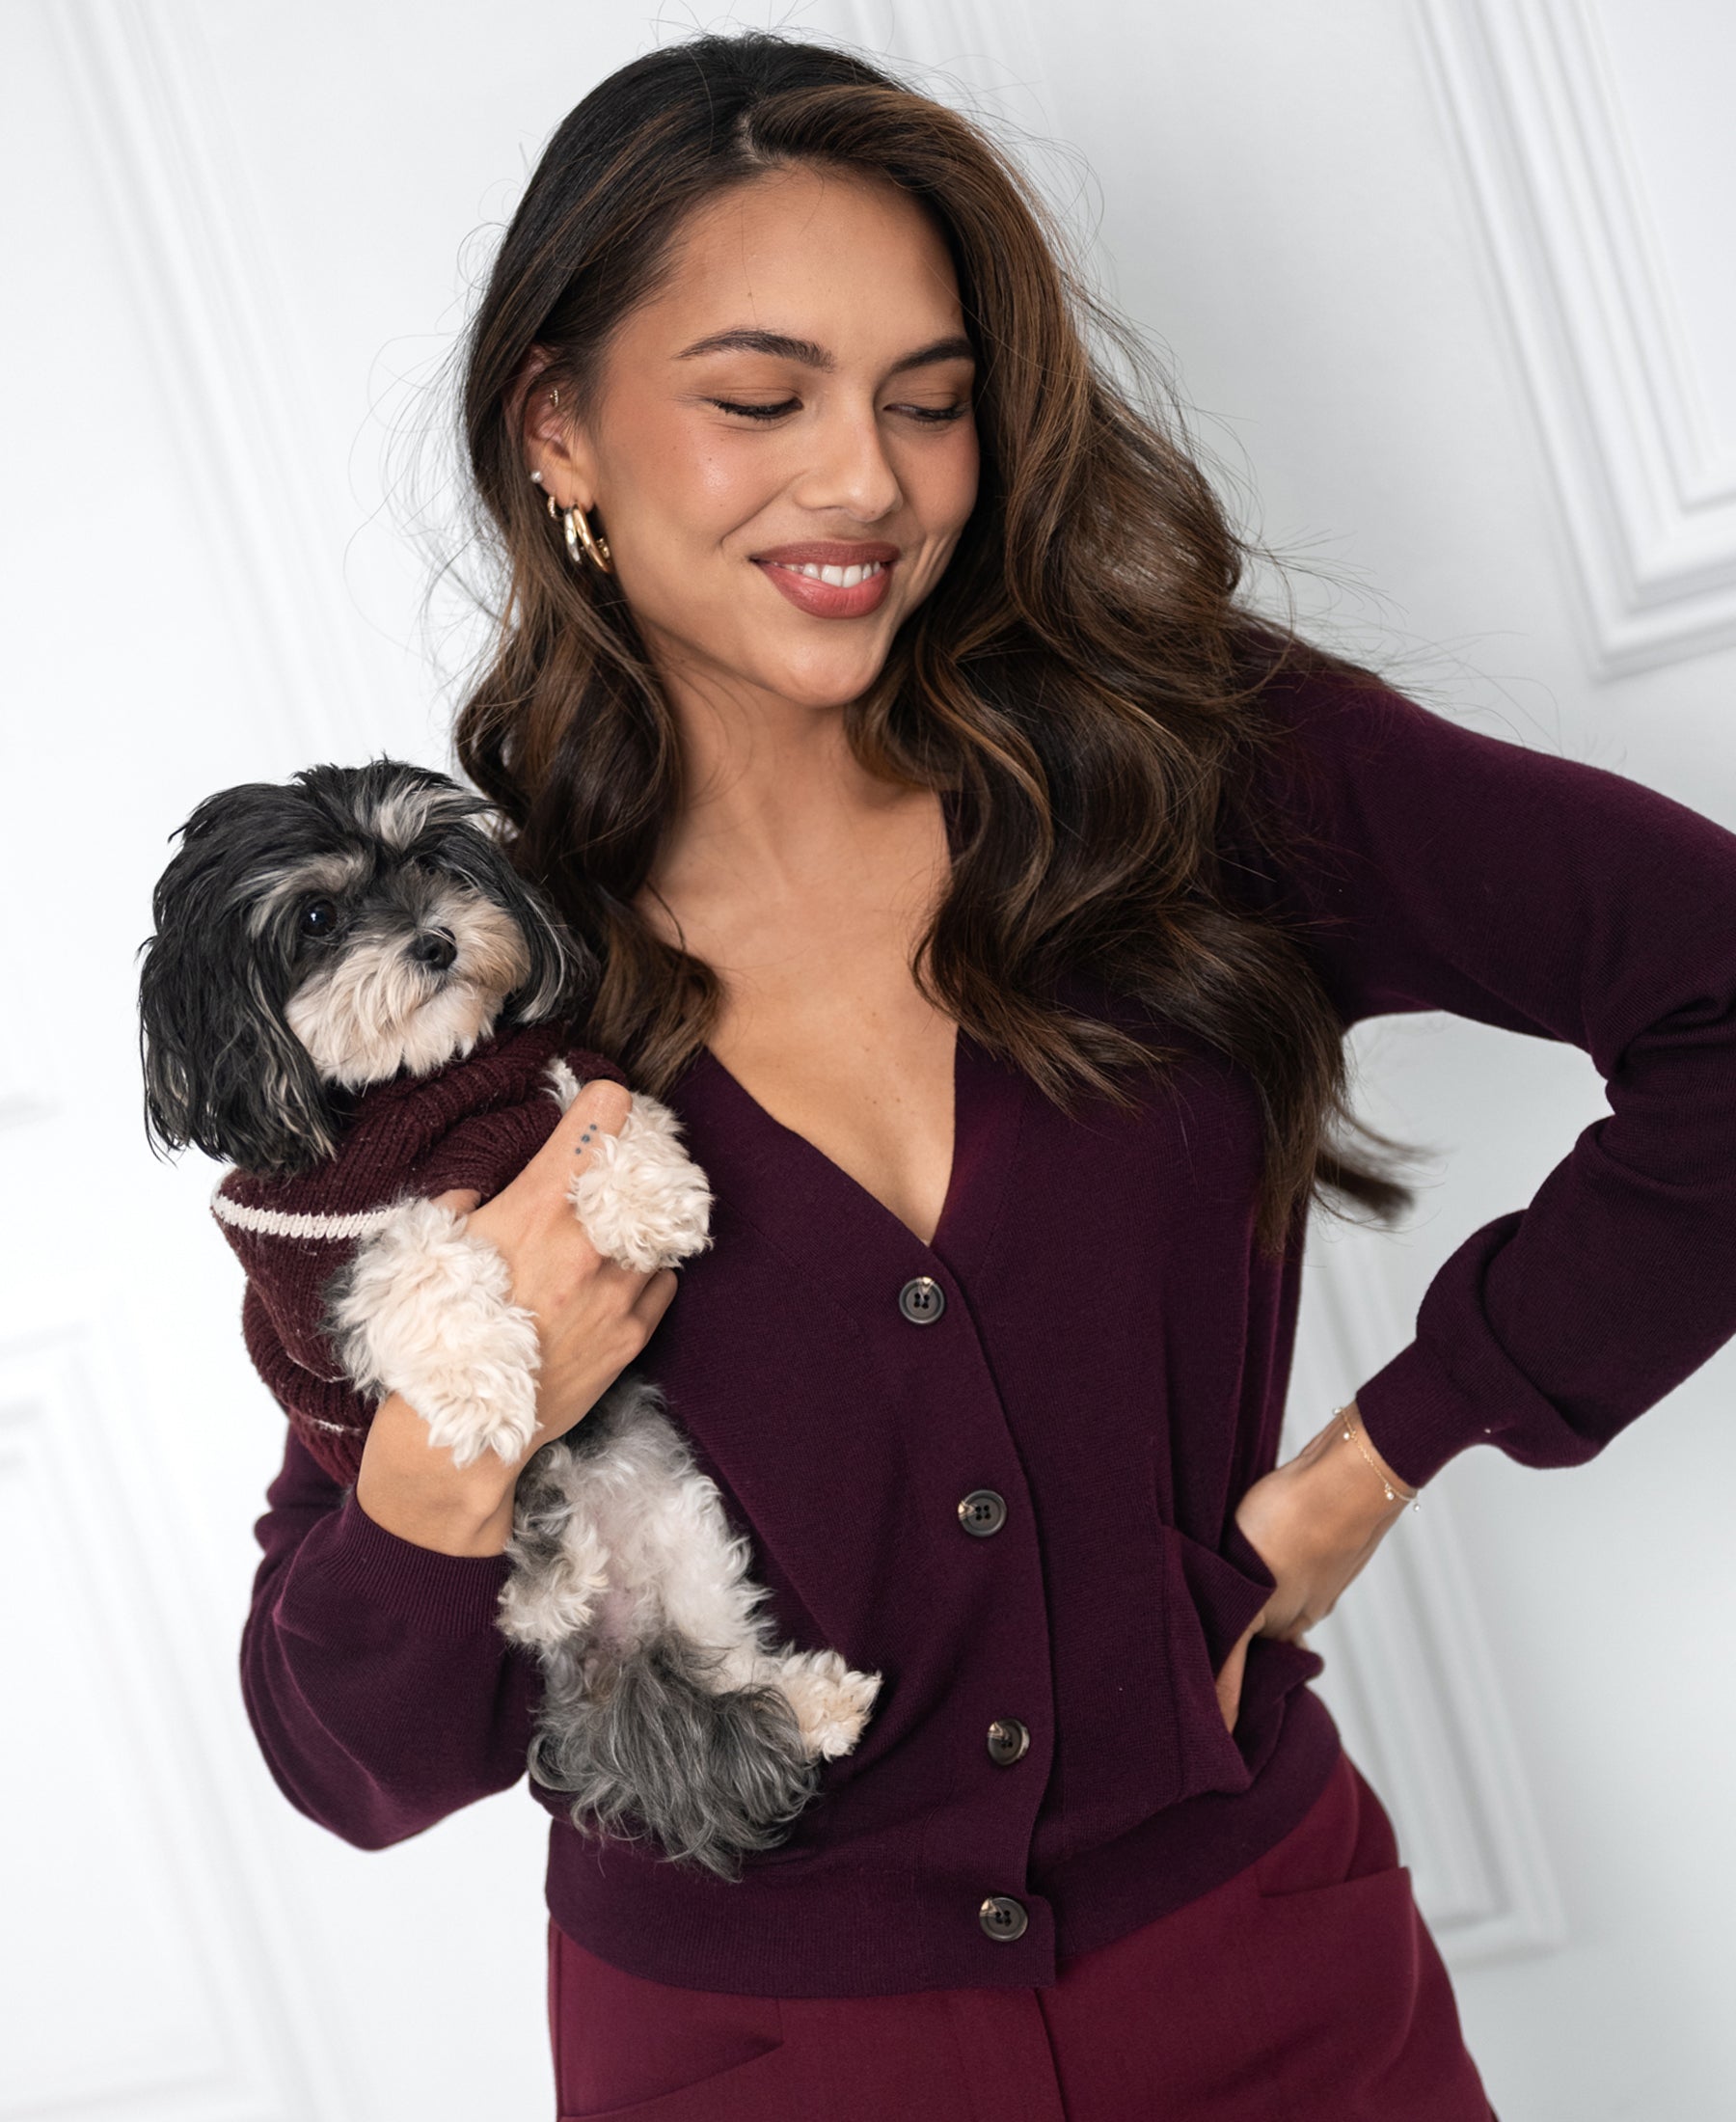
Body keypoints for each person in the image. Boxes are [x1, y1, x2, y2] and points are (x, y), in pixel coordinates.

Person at [241, 30, 1736, 2121]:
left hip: (1285, 1989)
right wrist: (441, 1454)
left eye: (927, 403)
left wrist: (1384, 1450)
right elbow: (357, 1761)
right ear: (561, 427)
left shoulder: (1188, 774)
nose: (864, 478)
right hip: (746, 2063)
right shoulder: (453, 974)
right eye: (759, 398)